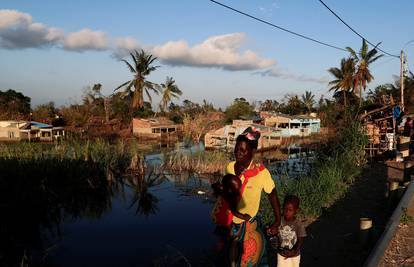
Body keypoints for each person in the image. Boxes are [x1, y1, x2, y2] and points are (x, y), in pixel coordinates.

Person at [218, 126, 281, 267]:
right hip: (231, 222)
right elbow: (226, 192)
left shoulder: (261, 173)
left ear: (252, 152)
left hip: (250, 222)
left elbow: (272, 195)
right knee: (230, 259)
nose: (238, 153)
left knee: (253, 257)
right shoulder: (230, 167)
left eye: (242, 150)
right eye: (236, 149)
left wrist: (278, 220)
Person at [277, 195, 306, 267]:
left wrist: (294, 251)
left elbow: (300, 240)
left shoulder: (298, 224)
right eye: (285, 209)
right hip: (281, 254)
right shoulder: (279, 221)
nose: (287, 212)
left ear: (296, 211)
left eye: (290, 210)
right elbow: (274, 232)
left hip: (294, 254)